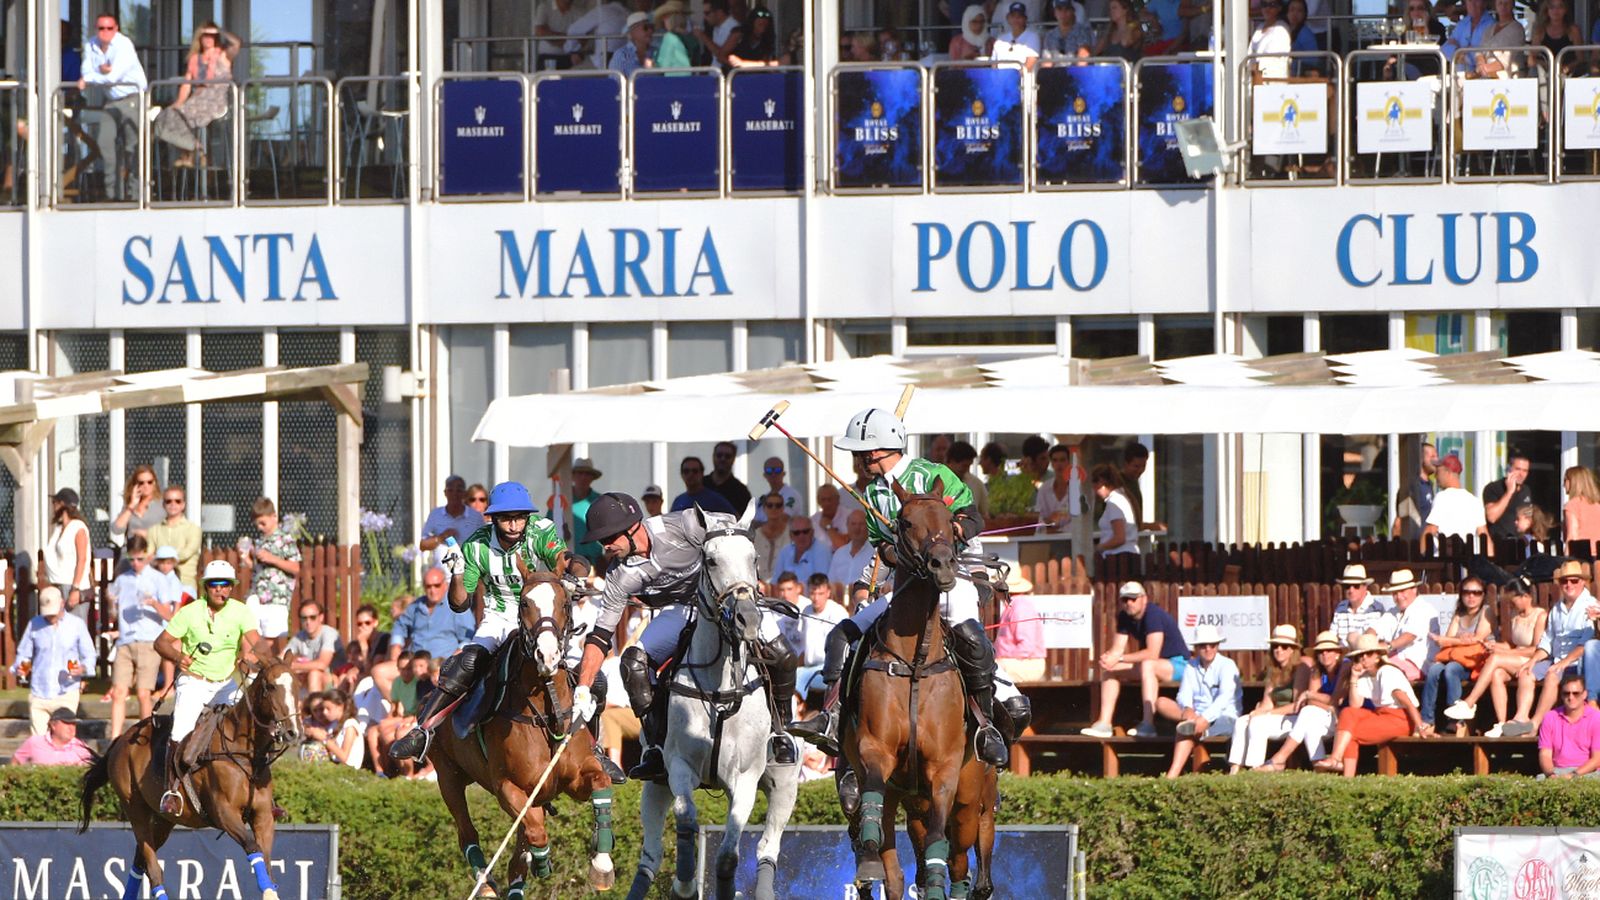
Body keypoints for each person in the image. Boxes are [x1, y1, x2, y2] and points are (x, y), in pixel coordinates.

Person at [787, 408, 1024, 768]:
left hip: (949, 580)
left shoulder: (932, 474)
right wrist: (893, 550)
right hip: (905, 588)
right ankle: (833, 719)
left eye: (859, 453)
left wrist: (951, 534)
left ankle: (986, 726)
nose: (856, 460)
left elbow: (972, 516)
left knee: (971, 638)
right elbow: (879, 544)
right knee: (841, 637)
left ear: (876, 452)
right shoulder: (872, 494)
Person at [391, 482, 617, 780]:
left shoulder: (541, 530)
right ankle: (422, 731)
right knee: (465, 665)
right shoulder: (476, 545)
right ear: (493, 518)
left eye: (520, 517)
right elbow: (460, 604)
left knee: (595, 679)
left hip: (543, 616)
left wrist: (575, 572)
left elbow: (566, 560)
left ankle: (595, 747)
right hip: (500, 616)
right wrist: (457, 573)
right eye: (506, 517)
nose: (514, 524)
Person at [573, 491, 799, 780]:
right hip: (679, 610)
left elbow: (733, 531)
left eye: (608, 539)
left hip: (728, 601)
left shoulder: (684, 525)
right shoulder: (620, 575)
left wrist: (743, 583)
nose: (605, 547)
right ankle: (655, 746)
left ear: (631, 528)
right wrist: (582, 687)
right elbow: (601, 635)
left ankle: (781, 732)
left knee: (782, 654)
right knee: (633, 662)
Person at [154, 559, 261, 815]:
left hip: (228, 682)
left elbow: (258, 644)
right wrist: (179, 658)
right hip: (195, 681)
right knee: (180, 733)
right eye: (215, 584)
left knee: (253, 728)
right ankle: (172, 790)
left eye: (226, 585)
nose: (221, 590)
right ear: (206, 586)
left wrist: (257, 659)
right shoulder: (189, 612)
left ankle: (261, 792)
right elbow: (161, 643)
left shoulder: (241, 611)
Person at [1081, 581, 1190, 738]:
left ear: (1144, 599)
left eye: (1133, 599)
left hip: (1179, 664)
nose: (1129, 603)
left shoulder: (1153, 614)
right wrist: (1109, 659)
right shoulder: (1124, 616)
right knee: (1110, 670)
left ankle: (1148, 725)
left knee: (1148, 665)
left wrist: (1119, 657)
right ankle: (1104, 724)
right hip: (1156, 665)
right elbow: (1117, 648)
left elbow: (1152, 653)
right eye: (1125, 600)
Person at [1444, 576, 1546, 737]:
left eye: (1514, 601)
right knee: (1497, 673)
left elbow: (1536, 649)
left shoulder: (1540, 615)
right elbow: (1509, 643)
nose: (1511, 605)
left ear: (1525, 597)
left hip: (1532, 659)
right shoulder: (1515, 615)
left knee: (1496, 659)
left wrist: (1505, 653)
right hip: (1515, 658)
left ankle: (1470, 702)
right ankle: (1501, 723)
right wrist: (1493, 646)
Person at [1315, 634, 1422, 776]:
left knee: (1350, 733)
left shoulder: (1387, 672)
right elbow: (1355, 705)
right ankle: (1338, 763)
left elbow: (1407, 702)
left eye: (1368, 654)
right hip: (1382, 715)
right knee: (1347, 713)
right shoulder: (1366, 676)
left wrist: (1420, 727)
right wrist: (1353, 678)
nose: (1364, 658)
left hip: (1401, 719)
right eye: (1360, 655)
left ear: (1377, 656)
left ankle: (1341, 767)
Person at [107, 536, 179, 738]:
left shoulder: (158, 579)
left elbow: (170, 616)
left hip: (148, 641)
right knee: (119, 692)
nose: (135, 563)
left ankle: (146, 737)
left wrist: (154, 603)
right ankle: (114, 739)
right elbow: (114, 613)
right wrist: (111, 603)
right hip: (126, 640)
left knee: (143, 693)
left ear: (147, 556)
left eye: (139, 559)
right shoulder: (122, 580)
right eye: (132, 559)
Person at [1516, 560, 1599, 729]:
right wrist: (1533, 660)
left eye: (1574, 580)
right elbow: (1547, 640)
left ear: (1583, 582)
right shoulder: (1557, 608)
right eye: (1564, 581)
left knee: (1552, 675)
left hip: (1575, 664)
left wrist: (1563, 663)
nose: (1569, 584)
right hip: (1556, 659)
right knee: (1526, 671)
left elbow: (1585, 645)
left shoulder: (1591, 606)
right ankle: (1520, 718)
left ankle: (1534, 724)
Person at [78, 12, 148, 202]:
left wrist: (92, 77)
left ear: (116, 29)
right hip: (111, 101)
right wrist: (95, 74)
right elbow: (85, 70)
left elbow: (112, 77)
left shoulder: (124, 45)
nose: (105, 32)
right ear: (96, 29)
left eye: (110, 28)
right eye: (101, 28)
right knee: (105, 143)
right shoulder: (90, 44)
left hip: (133, 97)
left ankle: (136, 195)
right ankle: (113, 194)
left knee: (133, 148)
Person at [152, 22, 240, 169]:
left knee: (185, 115)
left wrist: (219, 30)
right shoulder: (195, 59)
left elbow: (237, 43)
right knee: (169, 114)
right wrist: (178, 103)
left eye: (211, 35)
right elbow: (187, 84)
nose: (208, 39)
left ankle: (197, 153)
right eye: (205, 35)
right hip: (197, 100)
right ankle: (193, 149)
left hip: (216, 101)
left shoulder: (223, 54)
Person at [1256, 630, 1346, 771]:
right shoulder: (1317, 671)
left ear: (1337, 654)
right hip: (1327, 714)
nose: (1325, 654)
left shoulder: (1343, 669)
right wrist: (1326, 704)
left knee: (1308, 714)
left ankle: (1280, 759)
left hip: (1342, 719)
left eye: (1329, 650)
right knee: (1309, 717)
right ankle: (1319, 766)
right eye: (1321, 651)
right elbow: (1312, 702)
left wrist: (1312, 695)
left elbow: (1337, 699)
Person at [11, 587, 96, 735]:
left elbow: (89, 654)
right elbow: (24, 653)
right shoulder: (34, 624)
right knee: (38, 743)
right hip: (39, 691)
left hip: (66, 691)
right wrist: (21, 666)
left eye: (53, 612)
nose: (50, 617)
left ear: (62, 604)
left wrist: (82, 669)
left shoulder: (76, 625)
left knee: (63, 740)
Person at [1418, 577, 1494, 737]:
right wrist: (1459, 641)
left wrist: (1454, 641)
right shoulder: (1459, 614)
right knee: (1434, 669)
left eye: (1476, 593)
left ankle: (1457, 719)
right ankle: (1427, 720)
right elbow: (1445, 643)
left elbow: (1477, 638)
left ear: (1483, 595)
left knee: (1451, 669)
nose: (1471, 597)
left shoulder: (1486, 612)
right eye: (1467, 592)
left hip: (1476, 662)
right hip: (1458, 659)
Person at [1163, 625, 1242, 778]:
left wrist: (1204, 719)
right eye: (1203, 645)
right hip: (1196, 715)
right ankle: (1192, 726)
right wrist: (1187, 708)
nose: (1208, 649)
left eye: (1212, 645)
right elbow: (1184, 693)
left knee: (1190, 730)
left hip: (1225, 717)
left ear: (1218, 646)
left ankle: (1172, 775)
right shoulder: (1191, 666)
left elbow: (1224, 699)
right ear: (1196, 647)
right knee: (1161, 702)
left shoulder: (1227, 665)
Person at [1226, 625, 1305, 774]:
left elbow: (1297, 705)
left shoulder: (1300, 669)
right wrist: (1257, 712)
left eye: (1284, 646)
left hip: (1294, 719)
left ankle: (1254, 767)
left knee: (1258, 723)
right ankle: (1234, 769)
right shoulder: (1273, 671)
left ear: (1292, 650)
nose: (1278, 650)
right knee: (1242, 721)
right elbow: (1267, 702)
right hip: (1276, 717)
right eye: (1275, 646)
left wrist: (1267, 714)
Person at [240, 497, 303, 653]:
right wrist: (247, 559)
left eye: (263, 523)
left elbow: (296, 567)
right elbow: (259, 570)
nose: (260, 528)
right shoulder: (260, 541)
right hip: (257, 593)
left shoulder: (285, 539)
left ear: (274, 517)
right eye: (257, 525)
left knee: (270, 635)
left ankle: (257, 662)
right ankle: (250, 661)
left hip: (277, 596)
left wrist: (273, 558)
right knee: (248, 629)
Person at [389, 566, 476, 661]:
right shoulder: (416, 606)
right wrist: (396, 645)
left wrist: (454, 659)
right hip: (414, 663)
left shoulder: (457, 607)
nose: (432, 590)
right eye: (428, 586)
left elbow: (469, 638)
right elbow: (400, 626)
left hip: (442, 664)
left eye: (437, 585)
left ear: (445, 584)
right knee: (380, 671)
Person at [793, 574, 849, 701]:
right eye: (813, 593)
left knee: (797, 677)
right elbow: (803, 645)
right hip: (809, 667)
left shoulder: (838, 612)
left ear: (828, 592)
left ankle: (795, 716)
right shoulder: (806, 611)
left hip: (830, 668)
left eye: (820, 593)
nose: (816, 598)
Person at [1537, 672, 1600, 779]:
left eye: (1576, 693)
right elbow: (1545, 754)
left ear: (1584, 694)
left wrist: (1573, 775)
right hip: (1557, 771)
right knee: (1541, 779)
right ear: (1561, 695)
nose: (1571, 697)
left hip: (1588, 772)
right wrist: (1550, 774)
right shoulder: (1550, 717)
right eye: (1567, 693)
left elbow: (1597, 759)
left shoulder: (1596, 718)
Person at [43, 488, 92, 624]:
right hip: (58, 584)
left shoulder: (78, 527)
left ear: (62, 504)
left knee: (74, 629)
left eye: (55, 502)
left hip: (71, 585)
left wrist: (75, 589)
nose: (53, 506)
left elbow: (82, 559)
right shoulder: (59, 529)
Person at [1423, 454, 1490, 552]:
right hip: (1467, 560)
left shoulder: (1442, 497)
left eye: (1438, 471)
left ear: (1448, 472)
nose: (1435, 475)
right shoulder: (1474, 501)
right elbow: (1484, 534)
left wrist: (1417, 558)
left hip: (1443, 561)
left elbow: (1431, 530)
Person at [1382, 569, 1436, 683]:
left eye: (1402, 591)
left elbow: (1409, 636)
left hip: (1419, 666)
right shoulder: (1393, 612)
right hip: (1397, 661)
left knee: (1383, 671)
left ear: (1414, 589)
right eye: (1395, 593)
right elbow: (1375, 629)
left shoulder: (1423, 609)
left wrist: (1386, 647)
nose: (1398, 596)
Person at [148, 485, 202, 593]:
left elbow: (186, 553)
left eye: (177, 501)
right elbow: (149, 555)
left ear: (183, 504)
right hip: (158, 584)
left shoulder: (194, 529)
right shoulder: (154, 530)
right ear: (163, 504)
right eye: (169, 501)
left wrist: (160, 559)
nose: (173, 504)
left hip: (185, 584)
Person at [995, 568, 1046, 683]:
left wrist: (1003, 658)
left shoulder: (1020, 607)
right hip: (1018, 662)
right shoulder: (1013, 605)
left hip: (1026, 664)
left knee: (988, 672)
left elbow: (1026, 646)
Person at [1328, 564, 1397, 648]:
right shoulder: (1340, 608)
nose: (1351, 590)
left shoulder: (1376, 609)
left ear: (1365, 586)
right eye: (1347, 586)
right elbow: (1332, 637)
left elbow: (1380, 640)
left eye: (1356, 586)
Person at [287, 600, 345, 696]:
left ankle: (313, 708)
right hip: (310, 679)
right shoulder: (299, 636)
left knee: (314, 674)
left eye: (312, 617)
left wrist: (294, 666)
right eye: (304, 618)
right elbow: (280, 658)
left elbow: (322, 664)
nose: (308, 622)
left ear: (321, 617)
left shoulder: (329, 633)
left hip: (336, 681)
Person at [419, 474, 486, 555]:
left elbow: (485, 545)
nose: (455, 494)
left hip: (467, 566)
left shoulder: (475, 517)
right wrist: (441, 537)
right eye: (450, 490)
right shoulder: (435, 514)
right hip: (441, 567)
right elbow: (423, 545)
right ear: (445, 493)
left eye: (459, 490)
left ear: (464, 494)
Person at [1092, 464, 1140, 564]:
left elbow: (1119, 538)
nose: (1094, 491)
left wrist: (1098, 547)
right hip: (1125, 555)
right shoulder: (1121, 498)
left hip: (1118, 557)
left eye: (1095, 486)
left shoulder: (1114, 502)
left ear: (1101, 483)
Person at [11, 708, 94, 765]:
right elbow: (15, 761)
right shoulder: (34, 742)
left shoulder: (82, 749)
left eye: (74, 724)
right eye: (67, 723)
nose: (71, 728)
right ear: (53, 725)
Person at [1483, 454, 1533, 548]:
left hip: (1521, 544)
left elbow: (1528, 517)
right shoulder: (1494, 488)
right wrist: (1509, 492)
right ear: (1509, 469)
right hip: (1499, 544)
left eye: (1525, 471)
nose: (1521, 474)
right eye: (1518, 469)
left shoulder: (1526, 490)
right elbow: (1491, 517)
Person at [339, 603, 392, 691]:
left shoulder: (383, 639)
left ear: (375, 623)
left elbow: (372, 670)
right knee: (344, 677)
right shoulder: (361, 641)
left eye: (367, 623)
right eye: (360, 624)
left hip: (379, 679)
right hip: (366, 675)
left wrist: (364, 647)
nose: (363, 627)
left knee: (356, 680)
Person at [306, 690, 365, 769]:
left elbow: (344, 757)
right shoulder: (334, 724)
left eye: (328, 709)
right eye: (323, 709)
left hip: (349, 770)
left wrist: (324, 739)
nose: (325, 712)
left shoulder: (350, 725)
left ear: (340, 706)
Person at [1393, 442, 1439, 542]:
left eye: (1437, 456)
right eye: (1432, 456)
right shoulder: (1412, 486)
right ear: (1421, 459)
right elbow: (1399, 522)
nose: (1436, 460)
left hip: (1428, 548)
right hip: (1413, 549)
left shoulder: (1429, 485)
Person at [535, 0, 599, 69]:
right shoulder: (545, 7)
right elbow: (540, 32)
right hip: (548, 58)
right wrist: (572, 40)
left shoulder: (579, 11)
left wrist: (553, 36)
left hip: (572, 58)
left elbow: (584, 38)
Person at [111, 465, 161, 549]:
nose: (146, 485)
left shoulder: (162, 505)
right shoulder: (130, 505)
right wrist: (132, 505)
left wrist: (146, 534)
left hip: (154, 553)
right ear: (135, 485)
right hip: (132, 553)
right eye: (141, 483)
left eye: (149, 482)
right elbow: (117, 529)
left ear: (154, 483)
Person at [774, 515, 833, 585]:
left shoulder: (822, 551)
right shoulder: (785, 551)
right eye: (796, 533)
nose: (801, 536)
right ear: (791, 535)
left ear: (812, 533)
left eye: (805, 531)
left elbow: (821, 584)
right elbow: (776, 581)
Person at [568, 458, 606, 565]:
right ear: (573, 476)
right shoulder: (561, 500)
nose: (583, 477)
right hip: (566, 561)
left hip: (596, 562)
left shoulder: (600, 501)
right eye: (580, 473)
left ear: (592, 478)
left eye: (587, 474)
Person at [827, 509, 876, 591]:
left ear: (868, 527)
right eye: (853, 524)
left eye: (861, 524)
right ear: (847, 526)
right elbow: (831, 583)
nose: (857, 528)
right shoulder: (839, 553)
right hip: (840, 601)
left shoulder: (875, 553)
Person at [670, 456, 737, 514]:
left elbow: (736, 520)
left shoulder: (715, 499)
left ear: (702, 473)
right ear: (681, 474)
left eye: (695, 471)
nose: (690, 474)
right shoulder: (678, 501)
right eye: (686, 471)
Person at [752, 492, 792, 584]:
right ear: (764, 508)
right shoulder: (756, 535)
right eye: (770, 505)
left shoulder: (792, 533)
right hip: (759, 586)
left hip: (784, 586)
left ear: (783, 508)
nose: (774, 509)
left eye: (778, 505)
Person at [1034, 444, 1075, 533]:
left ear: (1069, 462)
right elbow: (1038, 517)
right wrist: (1048, 522)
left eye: (1062, 460)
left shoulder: (1078, 488)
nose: (1059, 464)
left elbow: (1079, 521)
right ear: (1051, 463)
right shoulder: (1044, 488)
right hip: (1047, 539)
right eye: (1055, 460)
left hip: (1072, 540)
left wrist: (1058, 531)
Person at [1247, 0, 1292, 81]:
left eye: (1272, 5)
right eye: (1264, 4)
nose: (1267, 8)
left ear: (1279, 8)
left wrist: (1256, 66)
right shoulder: (1259, 27)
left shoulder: (1282, 29)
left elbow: (1273, 57)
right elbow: (1250, 52)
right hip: (1254, 77)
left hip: (1273, 80)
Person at [706, 441, 752, 517]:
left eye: (727, 456)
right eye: (719, 455)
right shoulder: (701, 484)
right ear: (713, 457)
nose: (723, 459)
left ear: (733, 459)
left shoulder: (741, 491)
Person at [695, 0, 744, 69]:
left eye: (707, 13)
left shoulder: (734, 28)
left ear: (719, 13)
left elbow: (720, 54)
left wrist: (703, 37)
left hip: (727, 74)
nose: (705, 17)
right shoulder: (715, 26)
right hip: (715, 72)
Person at [992, 2, 1042, 70]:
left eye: (1019, 16)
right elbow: (994, 64)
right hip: (1001, 78)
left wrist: (1014, 78)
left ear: (1025, 19)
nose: (1016, 19)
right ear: (1008, 18)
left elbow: (1030, 63)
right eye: (1013, 16)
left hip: (1023, 79)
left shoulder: (1033, 37)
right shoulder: (1000, 39)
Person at [946, 441, 990, 518]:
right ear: (951, 462)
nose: (967, 470)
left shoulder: (976, 483)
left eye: (969, 466)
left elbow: (985, 513)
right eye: (964, 466)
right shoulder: (936, 483)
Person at [753, 456, 802, 523]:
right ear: (765, 475)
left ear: (783, 474)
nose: (773, 474)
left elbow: (781, 521)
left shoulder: (791, 495)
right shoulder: (761, 500)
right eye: (769, 470)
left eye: (777, 470)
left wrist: (757, 525)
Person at [1564, 466, 1600, 548]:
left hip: (1583, 554)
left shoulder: (1572, 505)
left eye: (1565, 480)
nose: (1563, 484)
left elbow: (1572, 536)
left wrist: (1566, 558)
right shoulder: (1597, 504)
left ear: (1573, 481)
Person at [610, 11, 656, 75]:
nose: (650, 31)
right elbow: (615, 82)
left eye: (651, 27)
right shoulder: (622, 55)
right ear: (632, 32)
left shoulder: (656, 52)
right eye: (645, 28)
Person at [653, 1, 695, 69]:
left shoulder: (669, 38)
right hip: (692, 77)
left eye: (665, 17)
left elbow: (664, 65)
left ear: (671, 18)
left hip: (673, 78)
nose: (663, 21)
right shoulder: (691, 38)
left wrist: (652, 64)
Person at [1120, 442, 1151, 528]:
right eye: (1136, 466)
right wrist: (1152, 526)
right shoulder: (1118, 482)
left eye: (1143, 466)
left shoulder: (1134, 481)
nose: (1140, 470)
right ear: (1126, 463)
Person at [812, 484, 850, 550]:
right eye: (823, 500)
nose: (827, 503)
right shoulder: (813, 521)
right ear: (818, 501)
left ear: (838, 499)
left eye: (830, 499)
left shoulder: (850, 517)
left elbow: (844, 546)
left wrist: (828, 528)